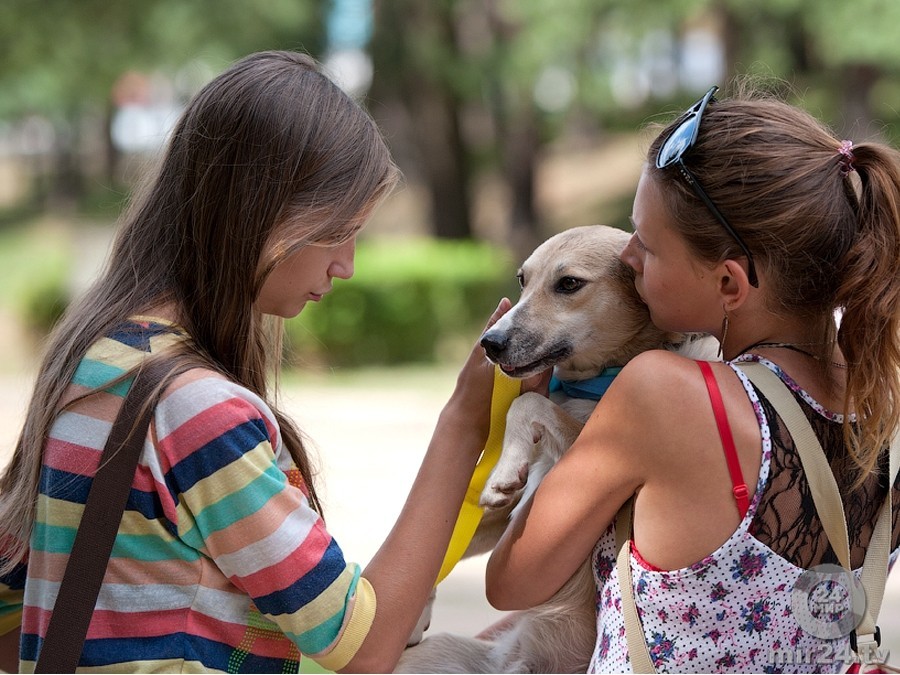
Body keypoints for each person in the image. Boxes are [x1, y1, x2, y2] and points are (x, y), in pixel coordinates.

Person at [0, 50, 521, 674]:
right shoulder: (200, 413)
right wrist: (463, 425)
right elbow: (362, 647)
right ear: (268, 214)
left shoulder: (91, 363)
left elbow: (16, 614)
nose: (346, 264)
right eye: (339, 229)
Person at [485, 83, 900, 673]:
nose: (626, 258)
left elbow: (513, 582)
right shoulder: (883, 405)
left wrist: (506, 420)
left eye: (646, 246)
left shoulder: (666, 392)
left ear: (729, 284)